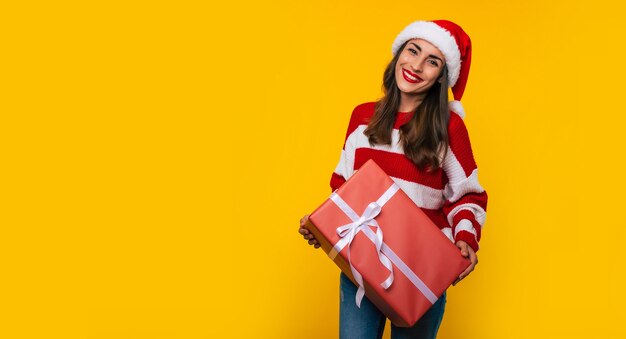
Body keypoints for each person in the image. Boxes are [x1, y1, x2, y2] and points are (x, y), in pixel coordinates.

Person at [298, 19, 488, 339]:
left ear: (442, 77)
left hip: (420, 272)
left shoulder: (449, 127)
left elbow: (468, 195)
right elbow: (343, 187)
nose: (416, 65)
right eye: (412, 51)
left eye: (432, 61)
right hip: (360, 266)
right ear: (398, 52)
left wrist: (465, 238)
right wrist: (323, 227)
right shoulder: (362, 118)